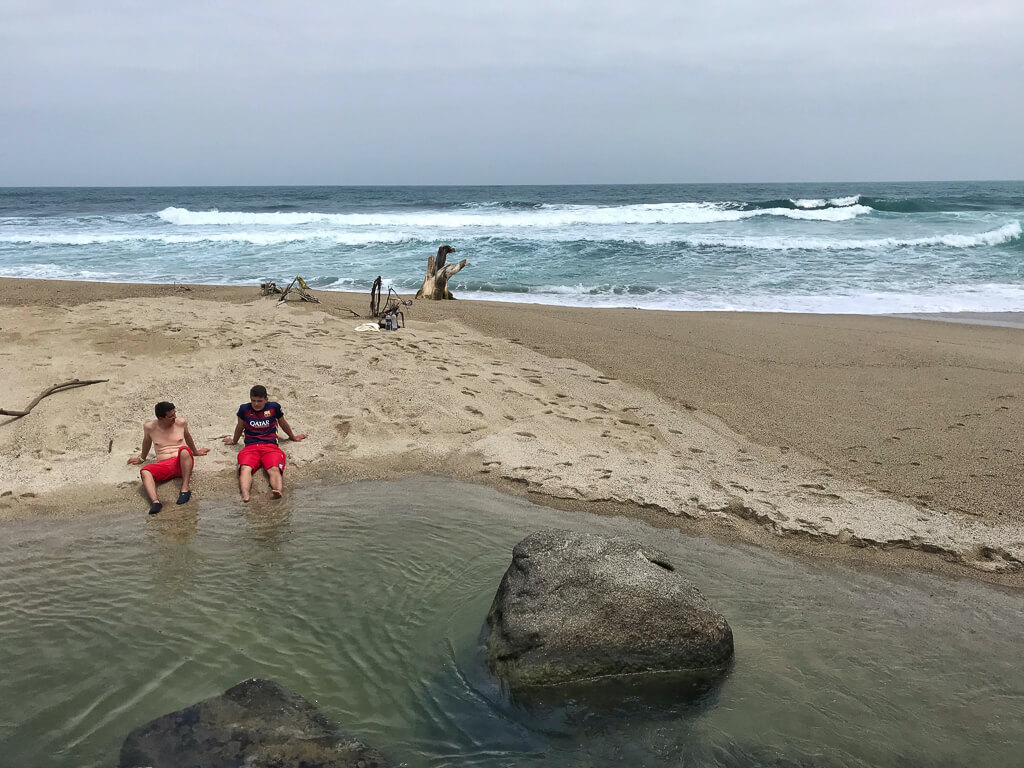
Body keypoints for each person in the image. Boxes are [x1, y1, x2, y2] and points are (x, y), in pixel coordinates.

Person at [223, 385, 307, 502]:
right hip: (251, 447)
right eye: (253, 401)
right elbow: (240, 426)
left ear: (266, 399)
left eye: (259, 401)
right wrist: (234, 441)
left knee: (273, 468)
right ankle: (245, 495)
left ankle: (277, 490)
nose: (256, 404)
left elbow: (283, 423)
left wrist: (293, 437)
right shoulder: (244, 409)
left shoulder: (274, 408)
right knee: (245, 468)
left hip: (270, 446)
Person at [128, 401, 210, 514]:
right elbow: (146, 442)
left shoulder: (181, 423)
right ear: (161, 418)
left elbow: (187, 436)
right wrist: (142, 459)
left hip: (182, 463)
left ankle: (185, 489)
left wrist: (195, 452)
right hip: (164, 466)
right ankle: (155, 502)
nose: (174, 417)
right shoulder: (150, 427)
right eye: (171, 416)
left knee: (184, 450)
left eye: (175, 414)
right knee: (145, 471)